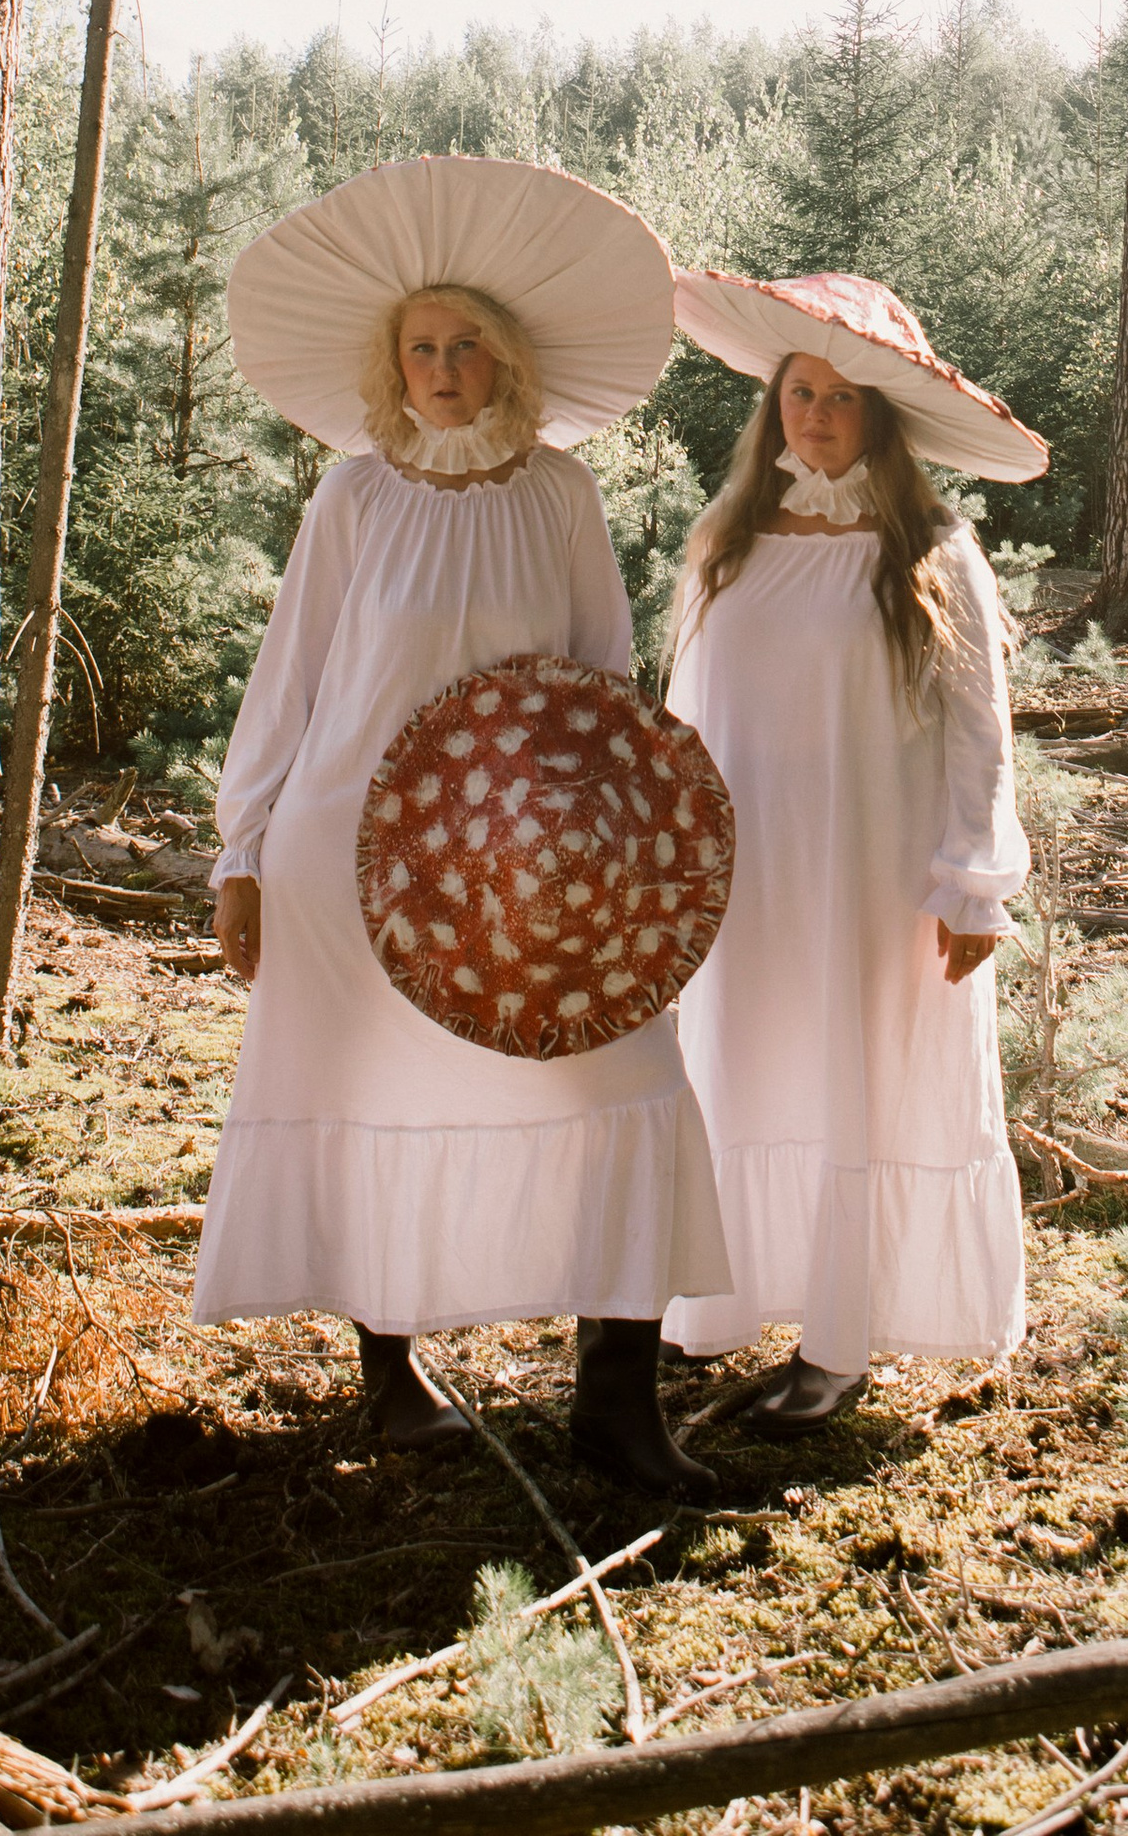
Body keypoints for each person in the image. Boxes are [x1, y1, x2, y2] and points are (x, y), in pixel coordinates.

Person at [196, 154, 731, 1498]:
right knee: (366, 1092)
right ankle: (389, 1376)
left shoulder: (559, 495)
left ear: (506, 359)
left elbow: (603, 675)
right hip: (347, 855)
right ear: (394, 366)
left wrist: (620, 855)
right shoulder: (353, 496)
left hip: (526, 867)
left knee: (621, 1078)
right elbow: (291, 677)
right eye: (421, 348)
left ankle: (615, 1402)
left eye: (464, 346)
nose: (441, 369)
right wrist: (243, 849)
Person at [660, 269, 1046, 1431]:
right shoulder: (727, 543)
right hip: (746, 870)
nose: (816, 416)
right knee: (744, 1063)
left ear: (878, 415)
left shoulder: (928, 548)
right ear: (771, 405)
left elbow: (979, 729)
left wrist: (973, 883)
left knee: (852, 1079)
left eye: (839, 398)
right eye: (799, 393)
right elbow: (682, 710)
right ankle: (724, 1301)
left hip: (871, 869)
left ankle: (837, 1343)